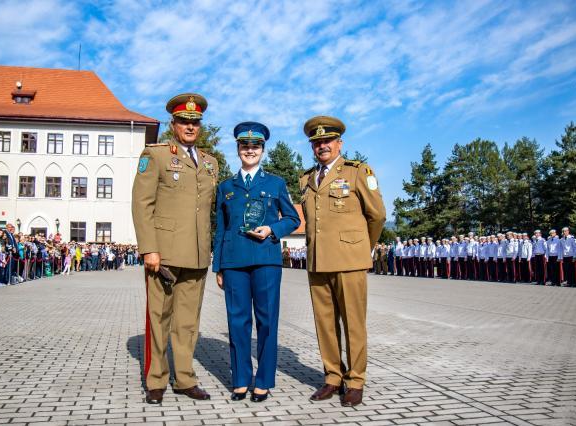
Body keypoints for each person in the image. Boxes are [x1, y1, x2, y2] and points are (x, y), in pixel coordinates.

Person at [132, 93, 218, 405]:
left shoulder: (210, 163)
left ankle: (184, 379)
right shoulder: (154, 156)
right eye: (184, 121)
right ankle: (156, 380)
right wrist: (149, 249)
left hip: (196, 256)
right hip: (164, 254)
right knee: (159, 319)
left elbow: (207, 209)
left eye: (195, 122)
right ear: (174, 123)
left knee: (188, 323)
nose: (190, 126)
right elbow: (142, 205)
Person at [299, 115, 386, 407]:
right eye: (317, 142)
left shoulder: (358, 172)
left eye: (327, 141)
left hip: (349, 262)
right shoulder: (307, 179)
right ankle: (333, 377)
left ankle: (356, 380)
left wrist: (363, 248)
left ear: (339, 143)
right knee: (325, 324)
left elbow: (377, 215)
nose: (322, 146)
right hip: (318, 262)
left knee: (353, 324)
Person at [212, 121, 299, 402]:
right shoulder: (226, 186)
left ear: (262, 150)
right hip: (235, 262)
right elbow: (221, 229)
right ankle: (240, 379)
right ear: (238, 149)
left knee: (267, 321)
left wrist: (273, 229)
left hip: (266, 261)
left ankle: (263, 381)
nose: (250, 150)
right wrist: (219, 266)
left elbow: (293, 219)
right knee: (237, 322)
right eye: (245, 146)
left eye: (256, 146)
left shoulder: (275, 183)